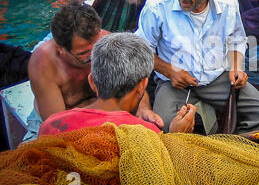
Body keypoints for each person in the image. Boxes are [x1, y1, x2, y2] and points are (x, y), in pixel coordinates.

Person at [134, 0, 259, 133]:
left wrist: (235, 67)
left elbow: (236, 39)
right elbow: (141, 50)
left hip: (217, 78)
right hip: (174, 83)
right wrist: (170, 71)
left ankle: (233, 149)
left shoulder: (227, 3)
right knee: (163, 126)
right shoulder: (157, 5)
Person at [27, 1, 163, 140]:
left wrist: (144, 109)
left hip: (105, 115)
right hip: (62, 124)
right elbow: (58, 126)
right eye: (83, 53)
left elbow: (134, 81)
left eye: (97, 45)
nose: (94, 55)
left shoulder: (108, 42)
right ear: (60, 49)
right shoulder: (43, 64)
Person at [39, 32, 196, 136]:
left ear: (92, 81)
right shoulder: (148, 135)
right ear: (143, 85)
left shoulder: (52, 126)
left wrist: (145, 109)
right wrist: (178, 137)